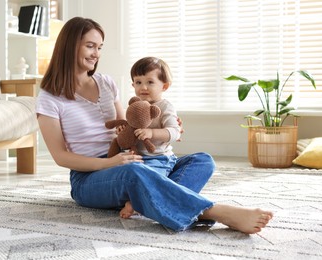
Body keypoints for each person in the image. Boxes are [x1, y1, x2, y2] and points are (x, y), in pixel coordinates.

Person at [36, 16, 273, 234]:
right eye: (90, 46)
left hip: (130, 158)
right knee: (134, 173)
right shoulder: (49, 97)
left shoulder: (106, 83)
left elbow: (128, 126)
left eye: (99, 47)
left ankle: (144, 199)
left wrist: (161, 127)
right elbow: (60, 156)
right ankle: (217, 212)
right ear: (69, 45)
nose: (96, 53)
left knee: (201, 160)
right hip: (89, 178)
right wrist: (109, 162)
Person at [119, 56, 181, 219]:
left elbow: (175, 132)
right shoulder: (135, 105)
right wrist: (122, 130)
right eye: (138, 82)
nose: (143, 87)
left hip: (159, 158)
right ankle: (137, 198)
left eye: (150, 82)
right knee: (128, 174)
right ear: (132, 85)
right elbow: (131, 129)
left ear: (164, 86)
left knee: (151, 178)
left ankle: (137, 203)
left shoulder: (165, 106)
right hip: (138, 157)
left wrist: (152, 133)